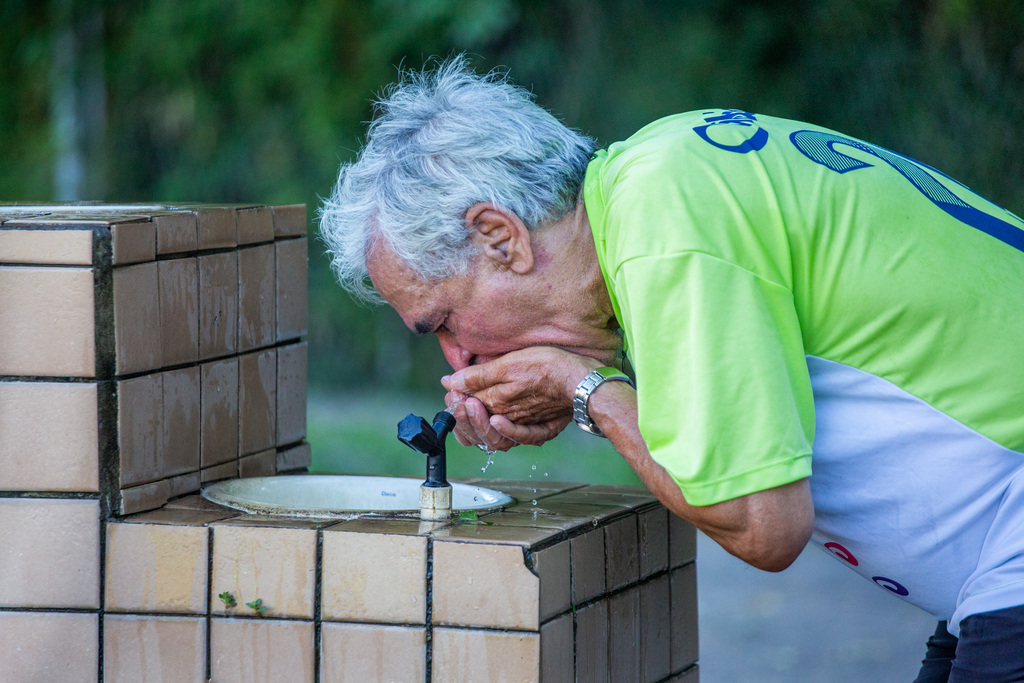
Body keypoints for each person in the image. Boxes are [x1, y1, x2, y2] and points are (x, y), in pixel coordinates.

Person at [319, 56, 1024, 680]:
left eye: (442, 322)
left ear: (500, 237)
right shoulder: (657, 182)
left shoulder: (664, 231)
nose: (458, 358)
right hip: (988, 574)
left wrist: (585, 390)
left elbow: (764, 524)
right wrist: (583, 396)